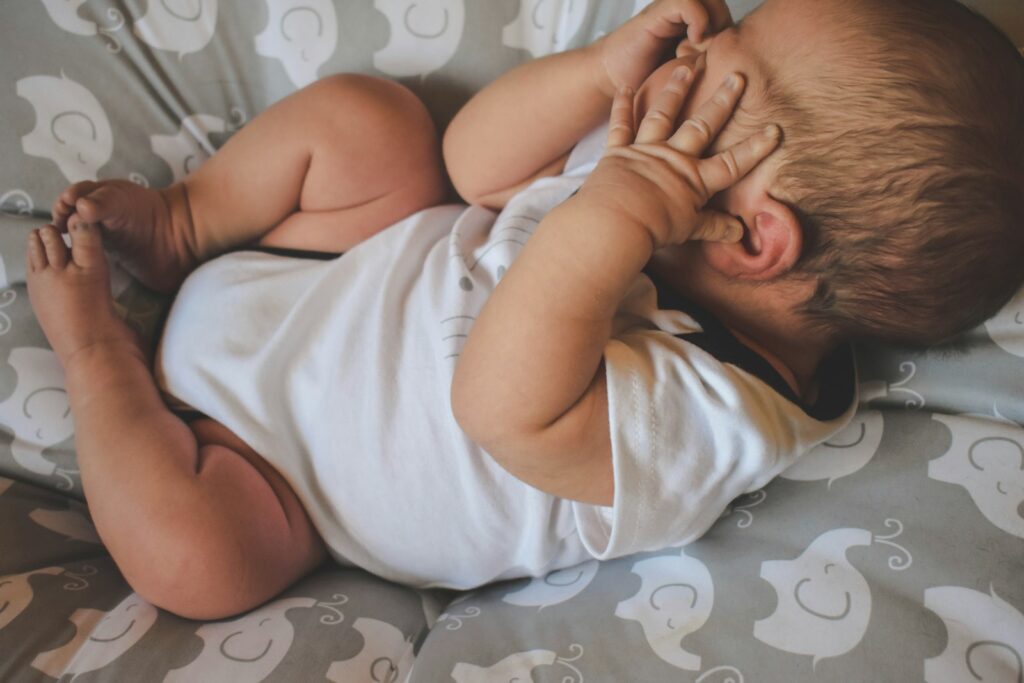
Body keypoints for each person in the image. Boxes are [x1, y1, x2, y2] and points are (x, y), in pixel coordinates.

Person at [25, 0, 1024, 620]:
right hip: (318, 269)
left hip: (268, 472)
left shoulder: (711, 418)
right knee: (373, 122)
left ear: (756, 237)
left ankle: (94, 351)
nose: (706, 42)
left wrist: (617, 213)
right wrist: (600, 74)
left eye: (734, 64)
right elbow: (472, 167)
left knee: (196, 561)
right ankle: (186, 220)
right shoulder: (669, 184)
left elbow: (498, 405)